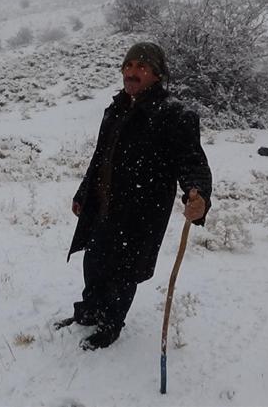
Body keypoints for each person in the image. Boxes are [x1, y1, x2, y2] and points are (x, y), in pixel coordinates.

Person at [57, 41, 212, 350]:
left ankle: (111, 324)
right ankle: (89, 310)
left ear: (157, 74)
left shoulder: (174, 114)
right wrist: (83, 193)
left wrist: (198, 195)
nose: (132, 72)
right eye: (128, 66)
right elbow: (100, 158)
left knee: (123, 270)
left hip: (141, 210)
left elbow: (192, 161)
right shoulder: (114, 109)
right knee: (95, 260)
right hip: (104, 205)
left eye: (141, 67)